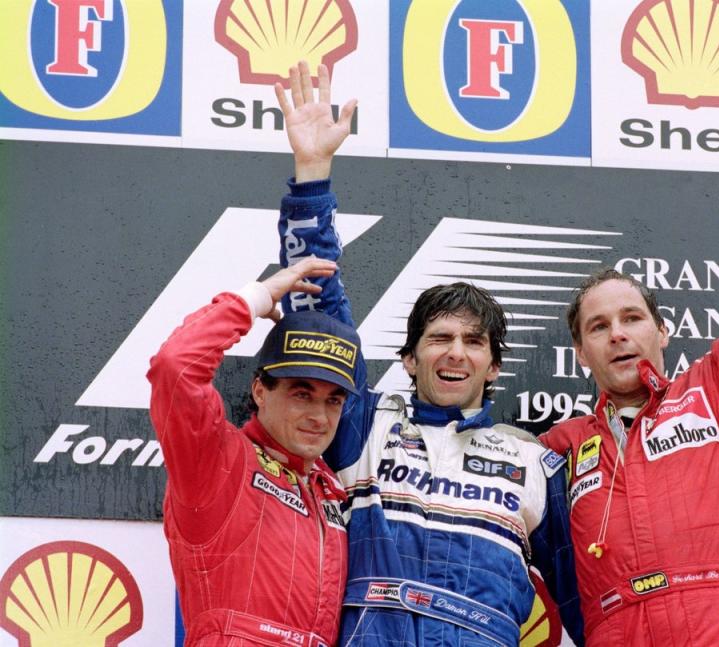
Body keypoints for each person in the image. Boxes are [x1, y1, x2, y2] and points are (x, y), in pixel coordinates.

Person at [271, 61, 584, 646]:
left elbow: (592, 609)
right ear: (410, 358)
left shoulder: (538, 468)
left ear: (494, 366)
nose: (455, 353)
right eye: (438, 338)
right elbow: (318, 314)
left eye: (473, 342)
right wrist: (312, 174)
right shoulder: (363, 423)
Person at [538, 64, 719, 645]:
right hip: (617, 630)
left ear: (662, 332)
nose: (618, 334)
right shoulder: (557, 449)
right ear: (580, 353)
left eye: (632, 318)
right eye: (599, 326)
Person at [148, 257, 357, 646]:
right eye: (301, 393)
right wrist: (254, 299)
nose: (318, 416)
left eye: (334, 400)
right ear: (260, 390)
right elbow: (175, 367)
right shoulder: (218, 461)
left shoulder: (331, 488)